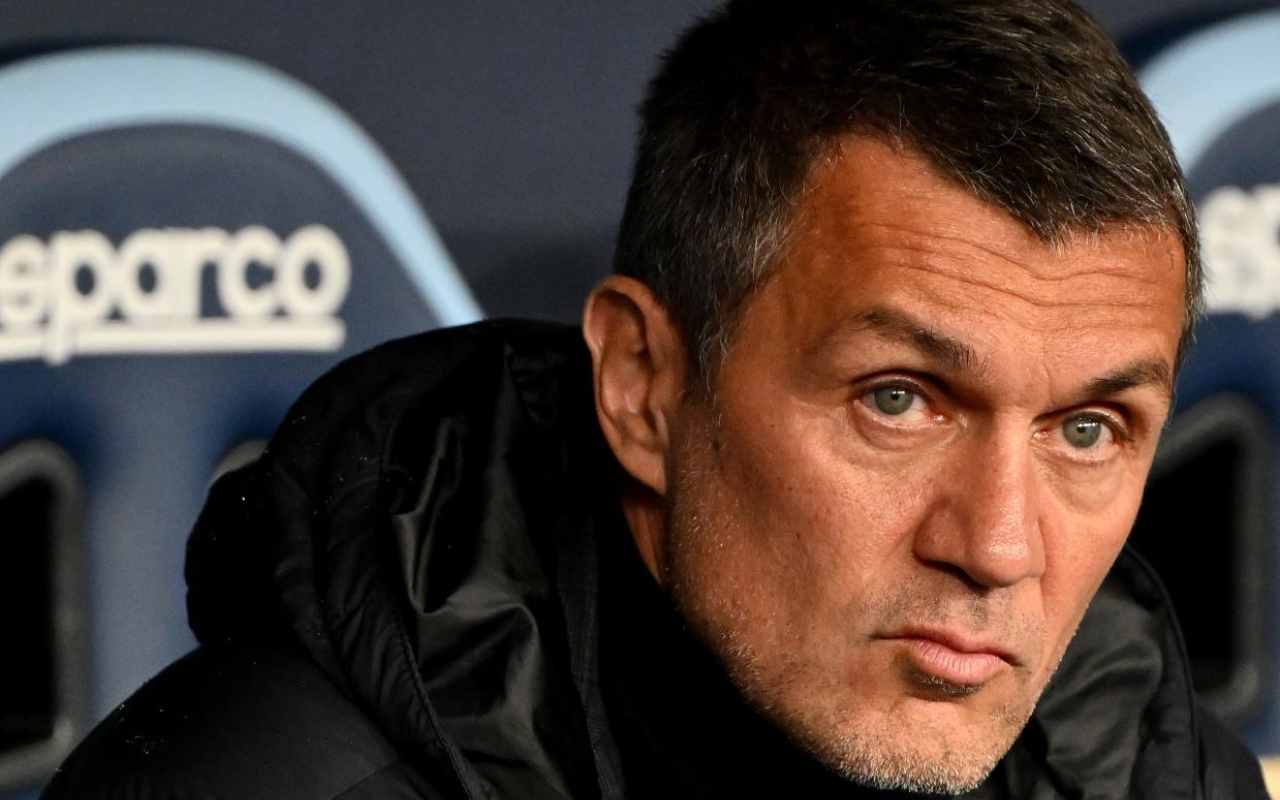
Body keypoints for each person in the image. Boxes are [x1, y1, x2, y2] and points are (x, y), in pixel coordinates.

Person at [44, 1, 1269, 797]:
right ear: (641, 383)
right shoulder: (272, 779)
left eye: (1086, 429)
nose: (998, 546)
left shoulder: (1125, 750)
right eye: (898, 400)